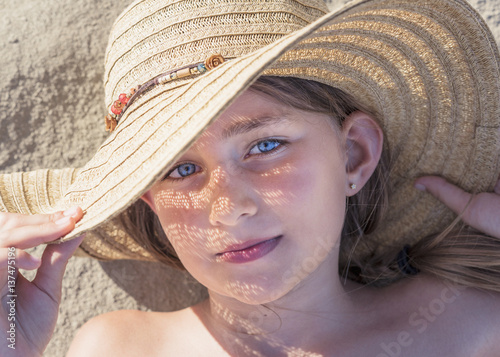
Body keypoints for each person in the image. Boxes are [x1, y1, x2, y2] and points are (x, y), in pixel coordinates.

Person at [1, 0, 500, 355]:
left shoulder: (469, 324)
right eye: (180, 168)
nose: (229, 205)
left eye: (265, 146)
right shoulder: (120, 347)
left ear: (354, 155)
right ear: (150, 200)